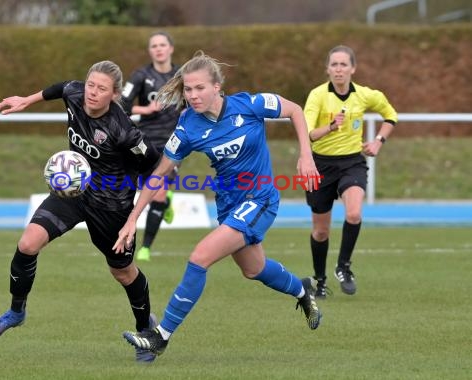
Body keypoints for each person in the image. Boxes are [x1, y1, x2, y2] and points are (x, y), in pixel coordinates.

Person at [112, 51, 323, 358]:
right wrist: (133, 218)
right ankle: (303, 290)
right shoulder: (187, 127)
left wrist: (306, 154)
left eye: (199, 88)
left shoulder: (249, 105)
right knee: (254, 269)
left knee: (199, 258)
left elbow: (295, 110)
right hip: (228, 204)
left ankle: (162, 336)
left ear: (217, 86)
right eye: (187, 89)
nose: (193, 95)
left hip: (260, 198)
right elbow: (159, 173)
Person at [0, 61, 163, 363]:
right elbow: (58, 88)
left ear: (114, 94)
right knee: (27, 244)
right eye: (91, 84)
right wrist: (25, 100)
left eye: (101, 89)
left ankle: (146, 331)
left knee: (122, 272)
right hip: (73, 193)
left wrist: (133, 218)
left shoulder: (124, 132)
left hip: (111, 205)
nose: (92, 92)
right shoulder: (75, 93)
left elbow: (155, 169)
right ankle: (16, 312)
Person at [304, 45, 397, 298]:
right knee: (321, 231)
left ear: (353, 68)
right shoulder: (317, 96)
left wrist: (378, 140)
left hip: (351, 163)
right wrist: (331, 127)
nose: (339, 69)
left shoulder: (365, 95)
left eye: (344, 64)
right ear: (327, 69)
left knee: (354, 213)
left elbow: (390, 115)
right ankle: (320, 280)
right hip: (320, 165)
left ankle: (343, 267)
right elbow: (308, 133)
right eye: (334, 64)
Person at [121, 31, 182, 261]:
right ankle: (167, 200)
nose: (158, 49)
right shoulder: (140, 75)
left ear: (170, 48)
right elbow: (122, 104)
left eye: (162, 44)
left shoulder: (182, 76)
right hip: (145, 140)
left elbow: (196, 101)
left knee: (156, 191)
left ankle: (145, 248)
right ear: (150, 51)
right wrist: (146, 109)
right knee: (149, 189)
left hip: (174, 140)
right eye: (154, 45)